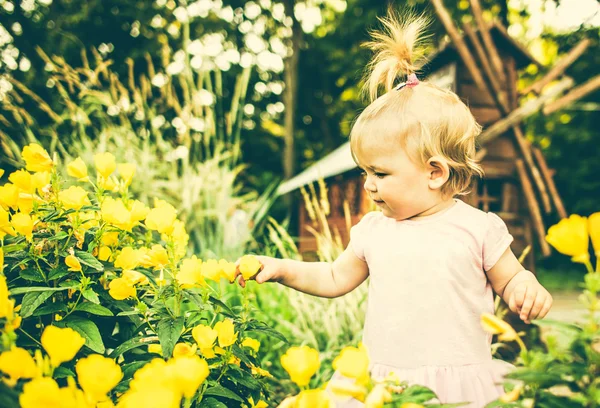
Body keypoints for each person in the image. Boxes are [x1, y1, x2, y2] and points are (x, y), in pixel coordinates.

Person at [237, 10, 553, 407]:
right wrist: (282, 268)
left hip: (457, 384)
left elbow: (510, 279)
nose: (368, 184)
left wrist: (525, 288)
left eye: (380, 173)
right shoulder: (374, 230)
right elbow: (335, 277)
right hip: (383, 383)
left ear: (434, 172)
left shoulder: (477, 229)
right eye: (365, 171)